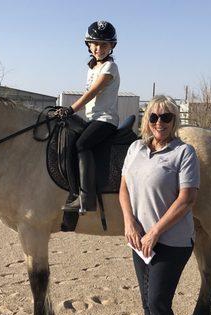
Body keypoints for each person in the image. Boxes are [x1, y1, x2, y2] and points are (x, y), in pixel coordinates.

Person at [119, 95, 200, 315]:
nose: (159, 123)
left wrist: (154, 232)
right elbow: (124, 187)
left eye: (166, 117)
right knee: (146, 303)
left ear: (174, 120)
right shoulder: (135, 149)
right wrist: (129, 222)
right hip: (139, 241)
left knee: (157, 302)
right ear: (146, 120)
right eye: (154, 117)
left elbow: (187, 199)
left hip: (172, 242)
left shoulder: (184, 153)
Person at [57, 20, 120, 213]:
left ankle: (86, 198)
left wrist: (70, 109)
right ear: (88, 45)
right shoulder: (92, 68)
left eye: (104, 44)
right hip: (93, 119)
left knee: (82, 144)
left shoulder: (110, 68)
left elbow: (93, 92)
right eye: (95, 44)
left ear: (111, 47)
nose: (99, 48)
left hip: (106, 120)